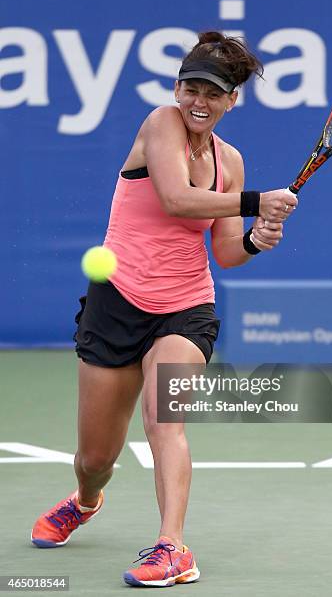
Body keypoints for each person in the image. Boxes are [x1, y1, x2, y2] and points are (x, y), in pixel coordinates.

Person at [31, 31, 297, 588]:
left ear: (231, 101)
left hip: (185, 309)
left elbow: (223, 252)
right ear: (177, 89)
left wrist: (255, 240)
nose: (199, 101)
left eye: (213, 92)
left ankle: (171, 547)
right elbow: (176, 197)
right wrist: (256, 205)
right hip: (116, 305)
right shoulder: (160, 123)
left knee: (164, 418)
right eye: (191, 88)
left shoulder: (232, 162)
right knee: (94, 458)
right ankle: (85, 500)